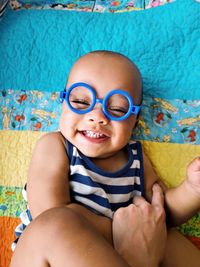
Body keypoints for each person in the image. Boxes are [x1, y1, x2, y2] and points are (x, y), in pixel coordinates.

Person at [10, 50, 200, 267]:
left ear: (135, 121)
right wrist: (125, 229)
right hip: (49, 257)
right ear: (63, 101)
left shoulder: (137, 159)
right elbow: (47, 211)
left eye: (117, 109)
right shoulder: (55, 146)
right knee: (57, 223)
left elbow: (161, 212)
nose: (97, 117)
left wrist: (192, 190)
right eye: (81, 101)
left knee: (167, 237)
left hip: (119, 252)